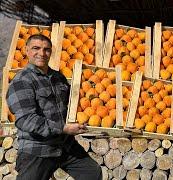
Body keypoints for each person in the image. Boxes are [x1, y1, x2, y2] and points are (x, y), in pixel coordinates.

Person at [6, 34, 102, 180]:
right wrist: (64, 128)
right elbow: (26, 120)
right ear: (26, 50)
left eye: (46, 49)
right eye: (36, 48)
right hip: (38, 149)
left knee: (92, 173)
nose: (42, 53)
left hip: (64, 146)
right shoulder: (22, 81)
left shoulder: (58, 77)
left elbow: (74, 105)